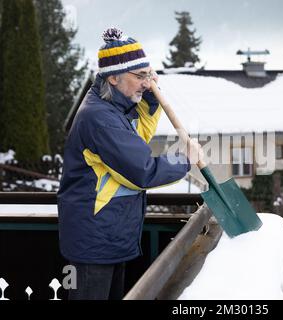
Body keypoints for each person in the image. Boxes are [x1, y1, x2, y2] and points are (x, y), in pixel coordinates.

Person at [57, 28, 203, 300]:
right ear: (113, 77)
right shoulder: (99, 118)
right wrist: (185, 160)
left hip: (110, 236)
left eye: (149, 74)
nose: (147, 82)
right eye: (140, 76)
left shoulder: (115, 108)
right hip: (94, 242)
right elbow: (141, 170)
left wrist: (148, 98)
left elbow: (137, 136)